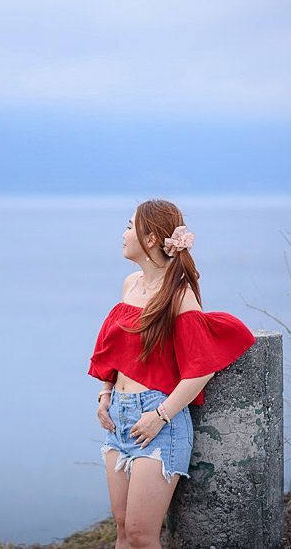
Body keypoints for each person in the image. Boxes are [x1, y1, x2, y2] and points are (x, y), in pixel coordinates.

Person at [88, 199, 256, 549]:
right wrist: (105, 395)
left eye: (128, 225)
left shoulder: (179, 295)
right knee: (122, 530)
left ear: (149, 239)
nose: (122, 233)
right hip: (119, 416)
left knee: (141, 535)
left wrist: (159, 417)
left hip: (158, 421)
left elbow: (201, 369)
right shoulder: (130, 284)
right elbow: (115, 351)